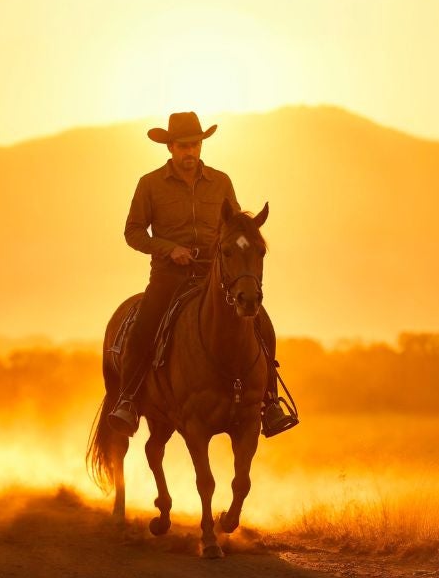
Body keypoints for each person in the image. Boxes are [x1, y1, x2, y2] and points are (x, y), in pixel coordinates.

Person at [107, 111, 298, 438]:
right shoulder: (150, 185)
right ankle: (127, 399)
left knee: (260, 322)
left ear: (200, 145)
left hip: (216, 273)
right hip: (169, 275)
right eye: (182, 146)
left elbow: (235, 225)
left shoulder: (221, 182)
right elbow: (133, 232)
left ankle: (269, 402)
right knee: (144, 326)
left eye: (194, 145)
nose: (189, 152)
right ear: (170, 148)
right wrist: (170, 249)